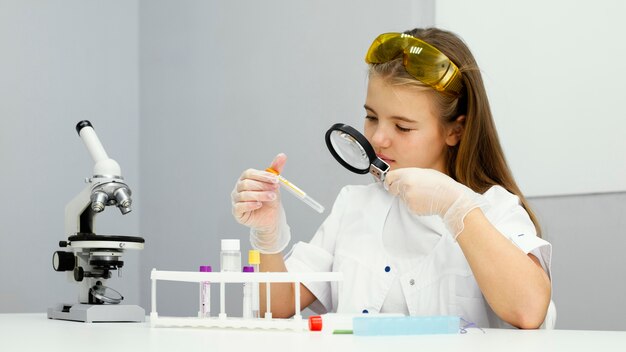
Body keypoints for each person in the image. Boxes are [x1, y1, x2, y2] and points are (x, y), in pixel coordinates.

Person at [231, 28, 552, 329]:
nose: (379, 138)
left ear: (455, 130)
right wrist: (267, 235)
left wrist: (456, 207)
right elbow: (275, 307)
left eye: (403, 127)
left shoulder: (496, 209)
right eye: (371, 117)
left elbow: (529, 310)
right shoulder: (353, 206)